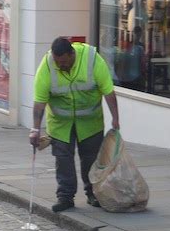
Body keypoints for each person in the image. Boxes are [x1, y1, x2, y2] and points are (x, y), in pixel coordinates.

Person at [29, 37, 120, 212]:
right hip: (60, 124)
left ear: (72, 54)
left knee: (91, 159)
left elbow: (108, 91)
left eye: (63, 62)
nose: (60, 65)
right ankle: (65, 197)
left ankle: (93, 193)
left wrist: (115, 119)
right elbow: (39, 101)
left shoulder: (92, 59)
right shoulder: (48, 66)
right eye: (57, 62)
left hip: (90, 122)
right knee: (63, 160)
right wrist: (34, 129)